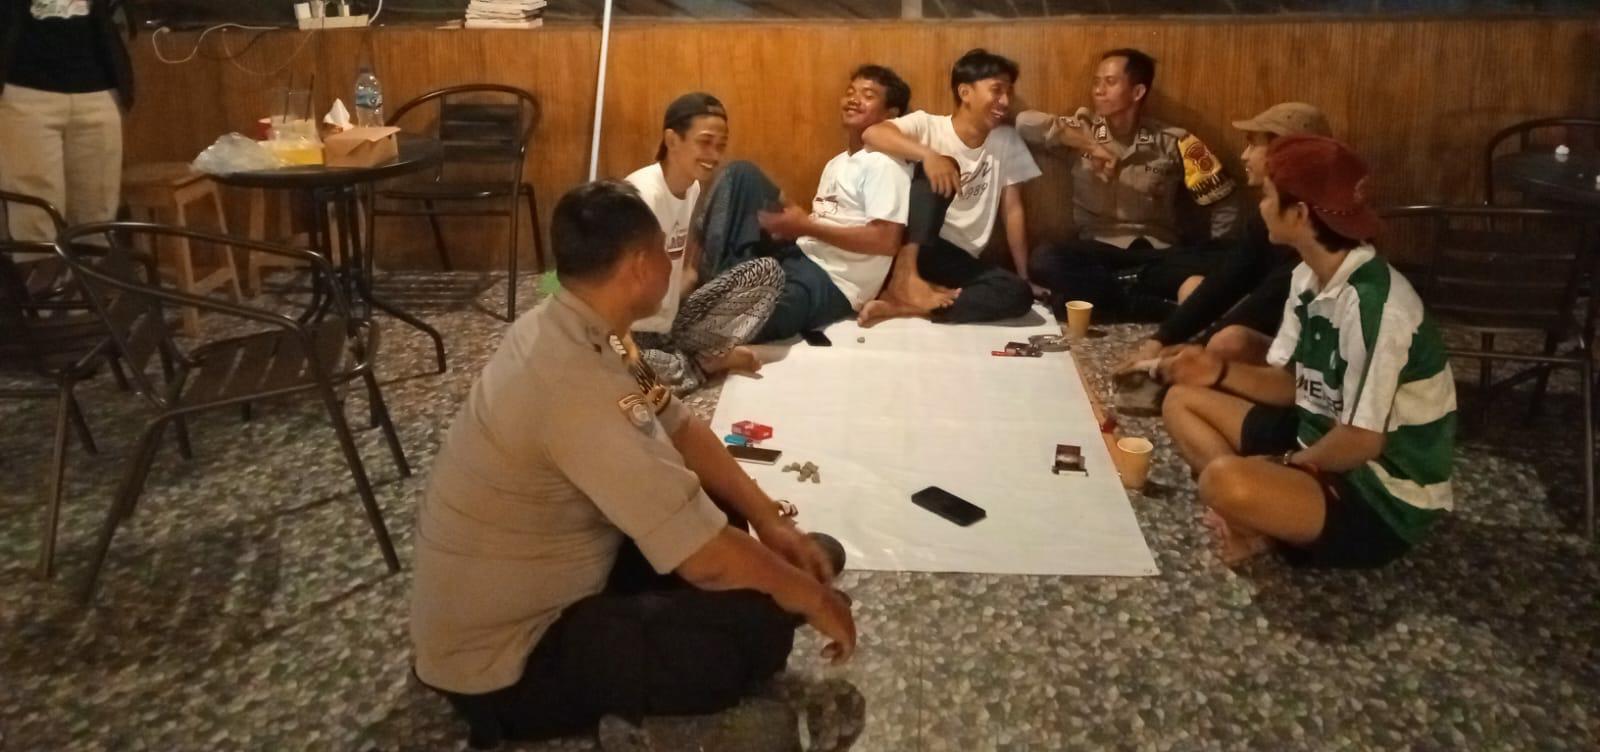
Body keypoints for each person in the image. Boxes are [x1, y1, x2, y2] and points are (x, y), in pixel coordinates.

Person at [410, 181, 856, 748]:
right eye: (667, 253)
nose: (672, 265)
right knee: (752, 637)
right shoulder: (571, 381)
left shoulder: (592, 331)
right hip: (505, 664)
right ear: (642, 265)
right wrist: (811, 597)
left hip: (555, 575)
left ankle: (758, 591)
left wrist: (772, 523)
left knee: (724, 516)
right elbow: (706, 562)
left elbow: (680, 426)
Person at [1158, 135, 1456, 568]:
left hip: (1379, 493)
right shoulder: (1307, 276)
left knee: (1222, 482)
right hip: (1314, 434)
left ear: (1298, 214)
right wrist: (1216, 371)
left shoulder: (1376, 306)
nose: (1261, 207)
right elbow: (1292, 385)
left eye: (1267, 196)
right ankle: (1261, 514)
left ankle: (1258, 512)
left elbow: (1362, 441)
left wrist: (1283, 464)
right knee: (1180, 401)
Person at [1017, 48, 1239, 323]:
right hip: (1098, 252)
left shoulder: (1173, 141)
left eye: (1110, 82)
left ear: (1137, 92)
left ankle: (1112, 299)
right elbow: (1023, 123)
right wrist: (1091, 146)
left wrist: (1217, 246)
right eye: (1096, 82)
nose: (1098, 90)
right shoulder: (1080, 131)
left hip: (1157, 255)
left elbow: (1224, 199)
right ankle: (1150, 306)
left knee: (1224, 259)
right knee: (1045, 259)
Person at [695, 65, 914, 342]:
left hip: (834, 280)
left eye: (868, 95)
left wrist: (806, 227)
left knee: (748, 320)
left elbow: (886, 241)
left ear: (890, 114)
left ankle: (718, 303)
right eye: (850, 92)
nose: (853, 99)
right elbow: (825, 220)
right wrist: (792, 217)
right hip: (801, 253)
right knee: (742, 174)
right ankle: (714, 284)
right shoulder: (836, 163)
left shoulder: (884, 164)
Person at [1117, 102, 1334, 370]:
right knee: (1194, 287)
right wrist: (1161, 340)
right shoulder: (1274, 215)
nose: (1244, 155)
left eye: (1253, 145)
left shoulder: (1313, 230)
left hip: (1300, 362)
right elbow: (1228, 279)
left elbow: (1261, 309)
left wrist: (1190, 351)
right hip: (1269, 326)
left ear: (1284, 154)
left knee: (1228, 342)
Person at [853, 48, 1042, 326]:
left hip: (956, 257)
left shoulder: (1006, 140)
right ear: (965, 92)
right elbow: (872, 133)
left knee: (1017, 294)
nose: (1005, 101)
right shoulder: (927, 125)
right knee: (939, 166)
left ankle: (905, 306)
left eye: (1009, 92)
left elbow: (1012, 210)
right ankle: (906, 278)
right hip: (912, 245)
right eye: (996, 90)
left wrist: (1024, 275)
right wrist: (928, 155)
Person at [625, 92, 783, 394]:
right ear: (672, 140)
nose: (714, 155)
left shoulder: (693, 187)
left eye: (720, 146)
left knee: (767, 273)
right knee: (629, 379)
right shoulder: (642, 194)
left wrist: (687, 286)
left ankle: (685, 361)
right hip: (633, 330)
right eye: (705, 142)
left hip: (670, 323)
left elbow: (680, 269)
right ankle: (703, 363)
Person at [0, 0, 133, 242]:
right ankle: (43, 267)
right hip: (24, 89)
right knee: (36, 219)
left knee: (98, 219)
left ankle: (93, 265)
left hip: (99, 88)